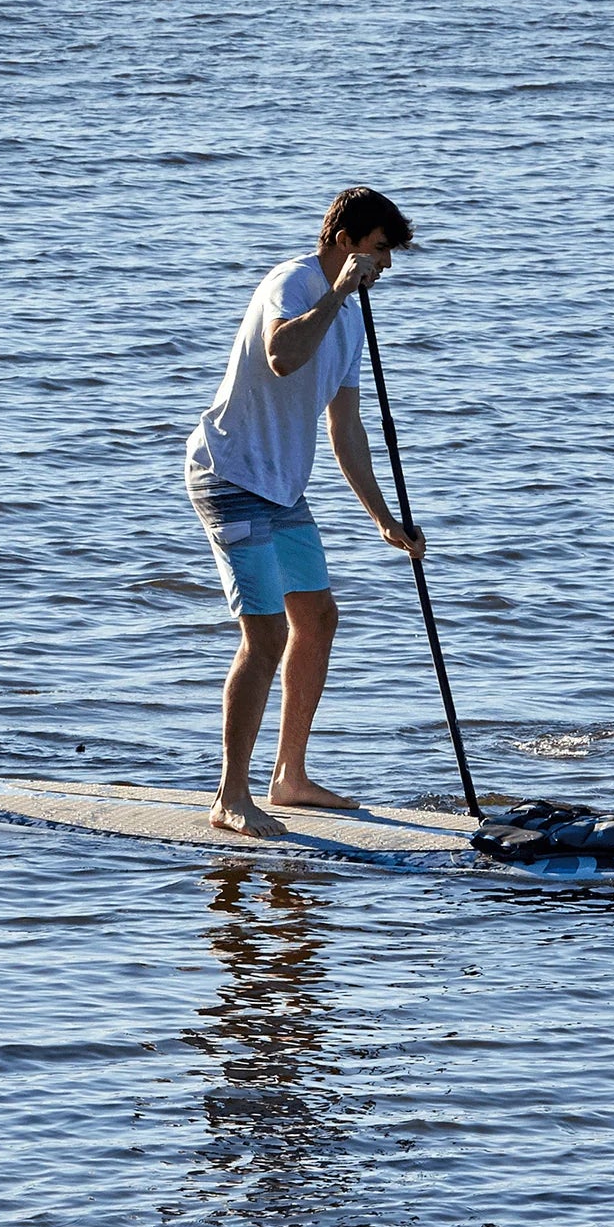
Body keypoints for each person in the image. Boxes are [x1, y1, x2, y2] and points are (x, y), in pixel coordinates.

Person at [185, 186, 425, 838]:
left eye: (391, 255)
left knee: (317, 618)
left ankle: (288, 775)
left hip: (282, 488)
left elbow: (345, 428)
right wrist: (341, 290)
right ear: (344, 241)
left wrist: (381, 518)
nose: (386, 267)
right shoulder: (294, 284)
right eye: (379, 250)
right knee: (264, 636)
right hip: (228, 474)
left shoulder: (349, 318)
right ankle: (229, 797)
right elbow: (283, 356)